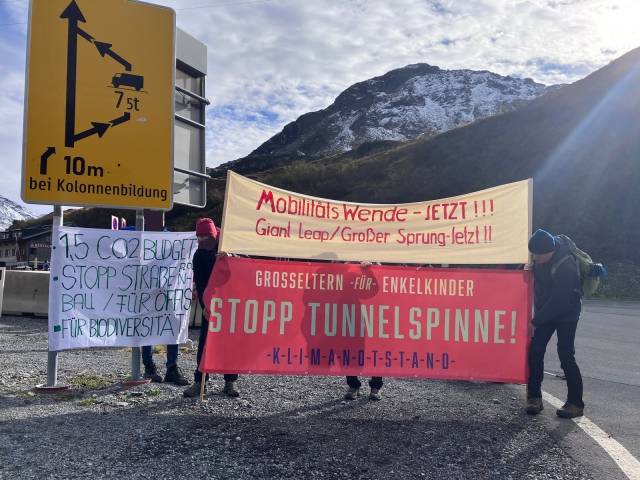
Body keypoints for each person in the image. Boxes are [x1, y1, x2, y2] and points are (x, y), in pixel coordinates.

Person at [526, 229, 584, 418]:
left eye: (539, 254)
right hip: (546, 311)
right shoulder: (538, 259)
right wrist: (525, 271)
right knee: (535, 349)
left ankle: (576, 404)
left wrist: (535, 321)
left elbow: (559, 301)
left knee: (566, 354)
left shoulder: (565, 265)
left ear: (550, 251)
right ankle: (534, 398)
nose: (536, 258)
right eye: (533, 254)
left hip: (567, 312)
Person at [184, 218, 240, 398]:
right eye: (199, 238)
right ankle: (200, 381)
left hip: (229, 305)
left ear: (215, 236)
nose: (202, 242)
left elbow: (244, 269)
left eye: (206, 238)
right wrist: (206, 307)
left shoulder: (227, 246)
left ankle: (230, 383)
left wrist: (230, 259)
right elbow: (201, 286)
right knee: (205, 344)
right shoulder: (199, 256)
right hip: (210, 307)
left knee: (229, 345)